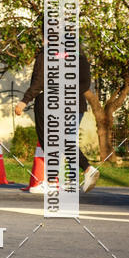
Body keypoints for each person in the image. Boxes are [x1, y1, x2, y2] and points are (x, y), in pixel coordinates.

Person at [15, 43, 100, 194]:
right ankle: (75, 177)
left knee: (55, 141)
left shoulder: (48, 54)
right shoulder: (79, 55)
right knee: (66, 141)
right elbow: (85, 83)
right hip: (75, 105)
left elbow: (38, 82)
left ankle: (56, 181)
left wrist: (25, 100)